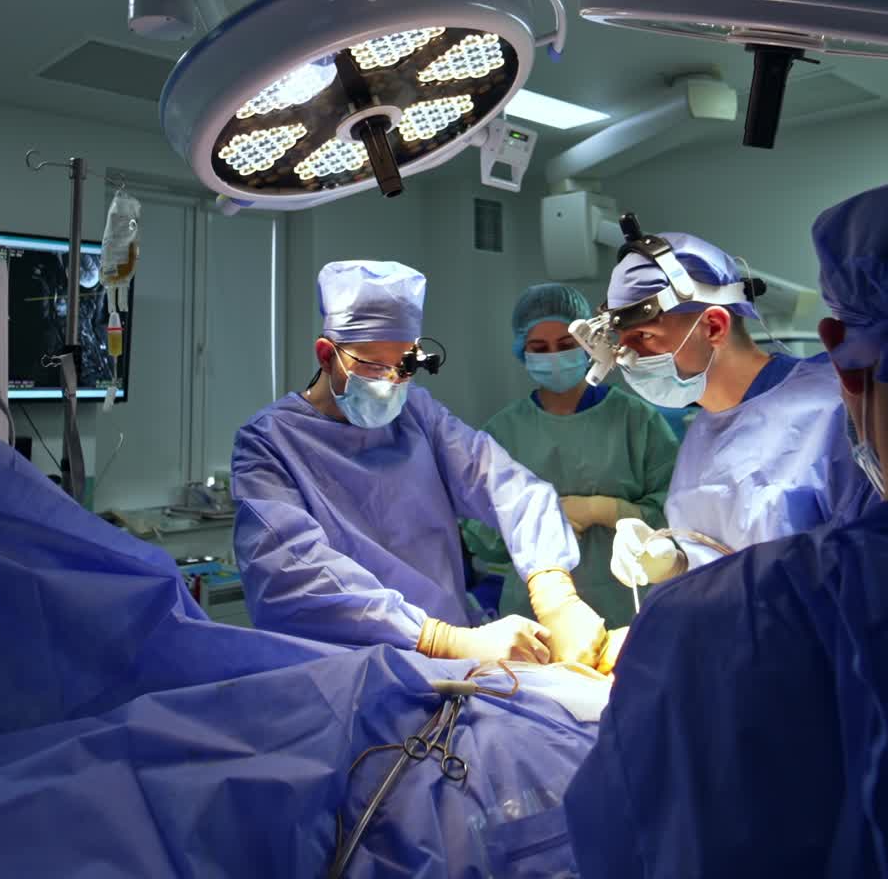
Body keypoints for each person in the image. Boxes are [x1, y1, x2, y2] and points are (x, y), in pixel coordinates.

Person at [565, 175, 888, 877]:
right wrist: (674, 562)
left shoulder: (710, 630)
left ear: (843, 360)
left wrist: (697, 620)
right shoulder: (701, 453)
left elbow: (627, 843)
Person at [231, 260, 612, 669]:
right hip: (347, 673)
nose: (391, 382)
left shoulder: (417, 415)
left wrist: (555, 594)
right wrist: (437, 638)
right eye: (373, 366)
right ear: (327, 355)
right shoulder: (270, 442)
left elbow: (507, 486)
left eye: (405, 366)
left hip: (457, 667)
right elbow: (291, 577)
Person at [600, 224, 874, 588]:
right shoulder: (701, 434)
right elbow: (726, 556)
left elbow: (873, 565)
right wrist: (678, 563)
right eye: (623, 342)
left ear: (713, 327)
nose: (628, 358)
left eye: (645, 337)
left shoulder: (834, 411)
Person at [462, 282, 679, 628]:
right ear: (522, 350)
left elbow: (677, 516)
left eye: (566, 345)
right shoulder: (501, 433)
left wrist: (608, 511)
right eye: (539, 347)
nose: (553, 356)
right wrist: (534, 521)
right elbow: (481, 535)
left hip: (628, 606)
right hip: (534, 616)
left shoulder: (636, 421)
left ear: (588, 345)